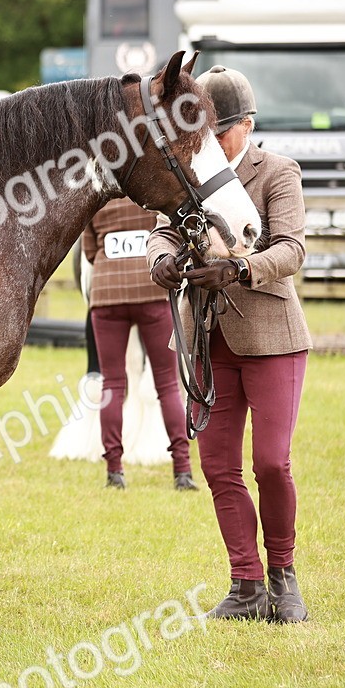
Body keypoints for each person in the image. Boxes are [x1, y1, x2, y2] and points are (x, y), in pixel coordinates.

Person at [147, 66, 312, 623]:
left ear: (248, 123)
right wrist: (162, 260)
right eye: (205, 133)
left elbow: (291, 249)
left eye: (222, 132)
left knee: (270, 462)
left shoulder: (278, 172)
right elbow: (163, 229)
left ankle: (283, 576)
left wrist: (240, 270)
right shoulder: (193, 170)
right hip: (207, 338)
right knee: (218, 466)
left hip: (271, 338)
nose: (211, 144)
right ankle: (245, 584)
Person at [82, 198, 198, 491]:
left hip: (107, 294)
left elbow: (91, 252)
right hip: (151, 293)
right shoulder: (152, 197)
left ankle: (114, 470)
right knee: (168, 384)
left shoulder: (100, 199)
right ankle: (182, 470)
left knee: (112, 384)